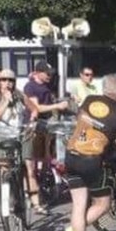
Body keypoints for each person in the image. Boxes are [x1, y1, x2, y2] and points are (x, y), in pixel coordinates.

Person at [57, 74, 116, 231]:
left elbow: (81, 118)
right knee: (102, 204)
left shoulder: (89, 100)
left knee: (79, 205)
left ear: (103, 88)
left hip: (72, 155)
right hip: (92, 161)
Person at [23, 60, 68, 213]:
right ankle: (31, 192)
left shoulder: (46, 85)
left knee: (48, 156)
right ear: (38, 73)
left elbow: (50, 101)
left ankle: (44, 182)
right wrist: (57, 106)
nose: (50, 76)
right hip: (35, 125)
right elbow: (37, 108)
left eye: (50, 73)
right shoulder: (30, 87)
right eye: (47, 73)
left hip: (47, 125)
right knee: (33, 161)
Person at [0, 69, 38, 169]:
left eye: (11, 80)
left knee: (29, 166)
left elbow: (34, 109)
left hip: (19, 132)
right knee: (5, 167)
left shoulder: (20, 95)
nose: (7, 82)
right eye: (4, 80)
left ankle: (28, 176)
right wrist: (6, 101)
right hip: (0, 133)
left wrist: (32, 122)